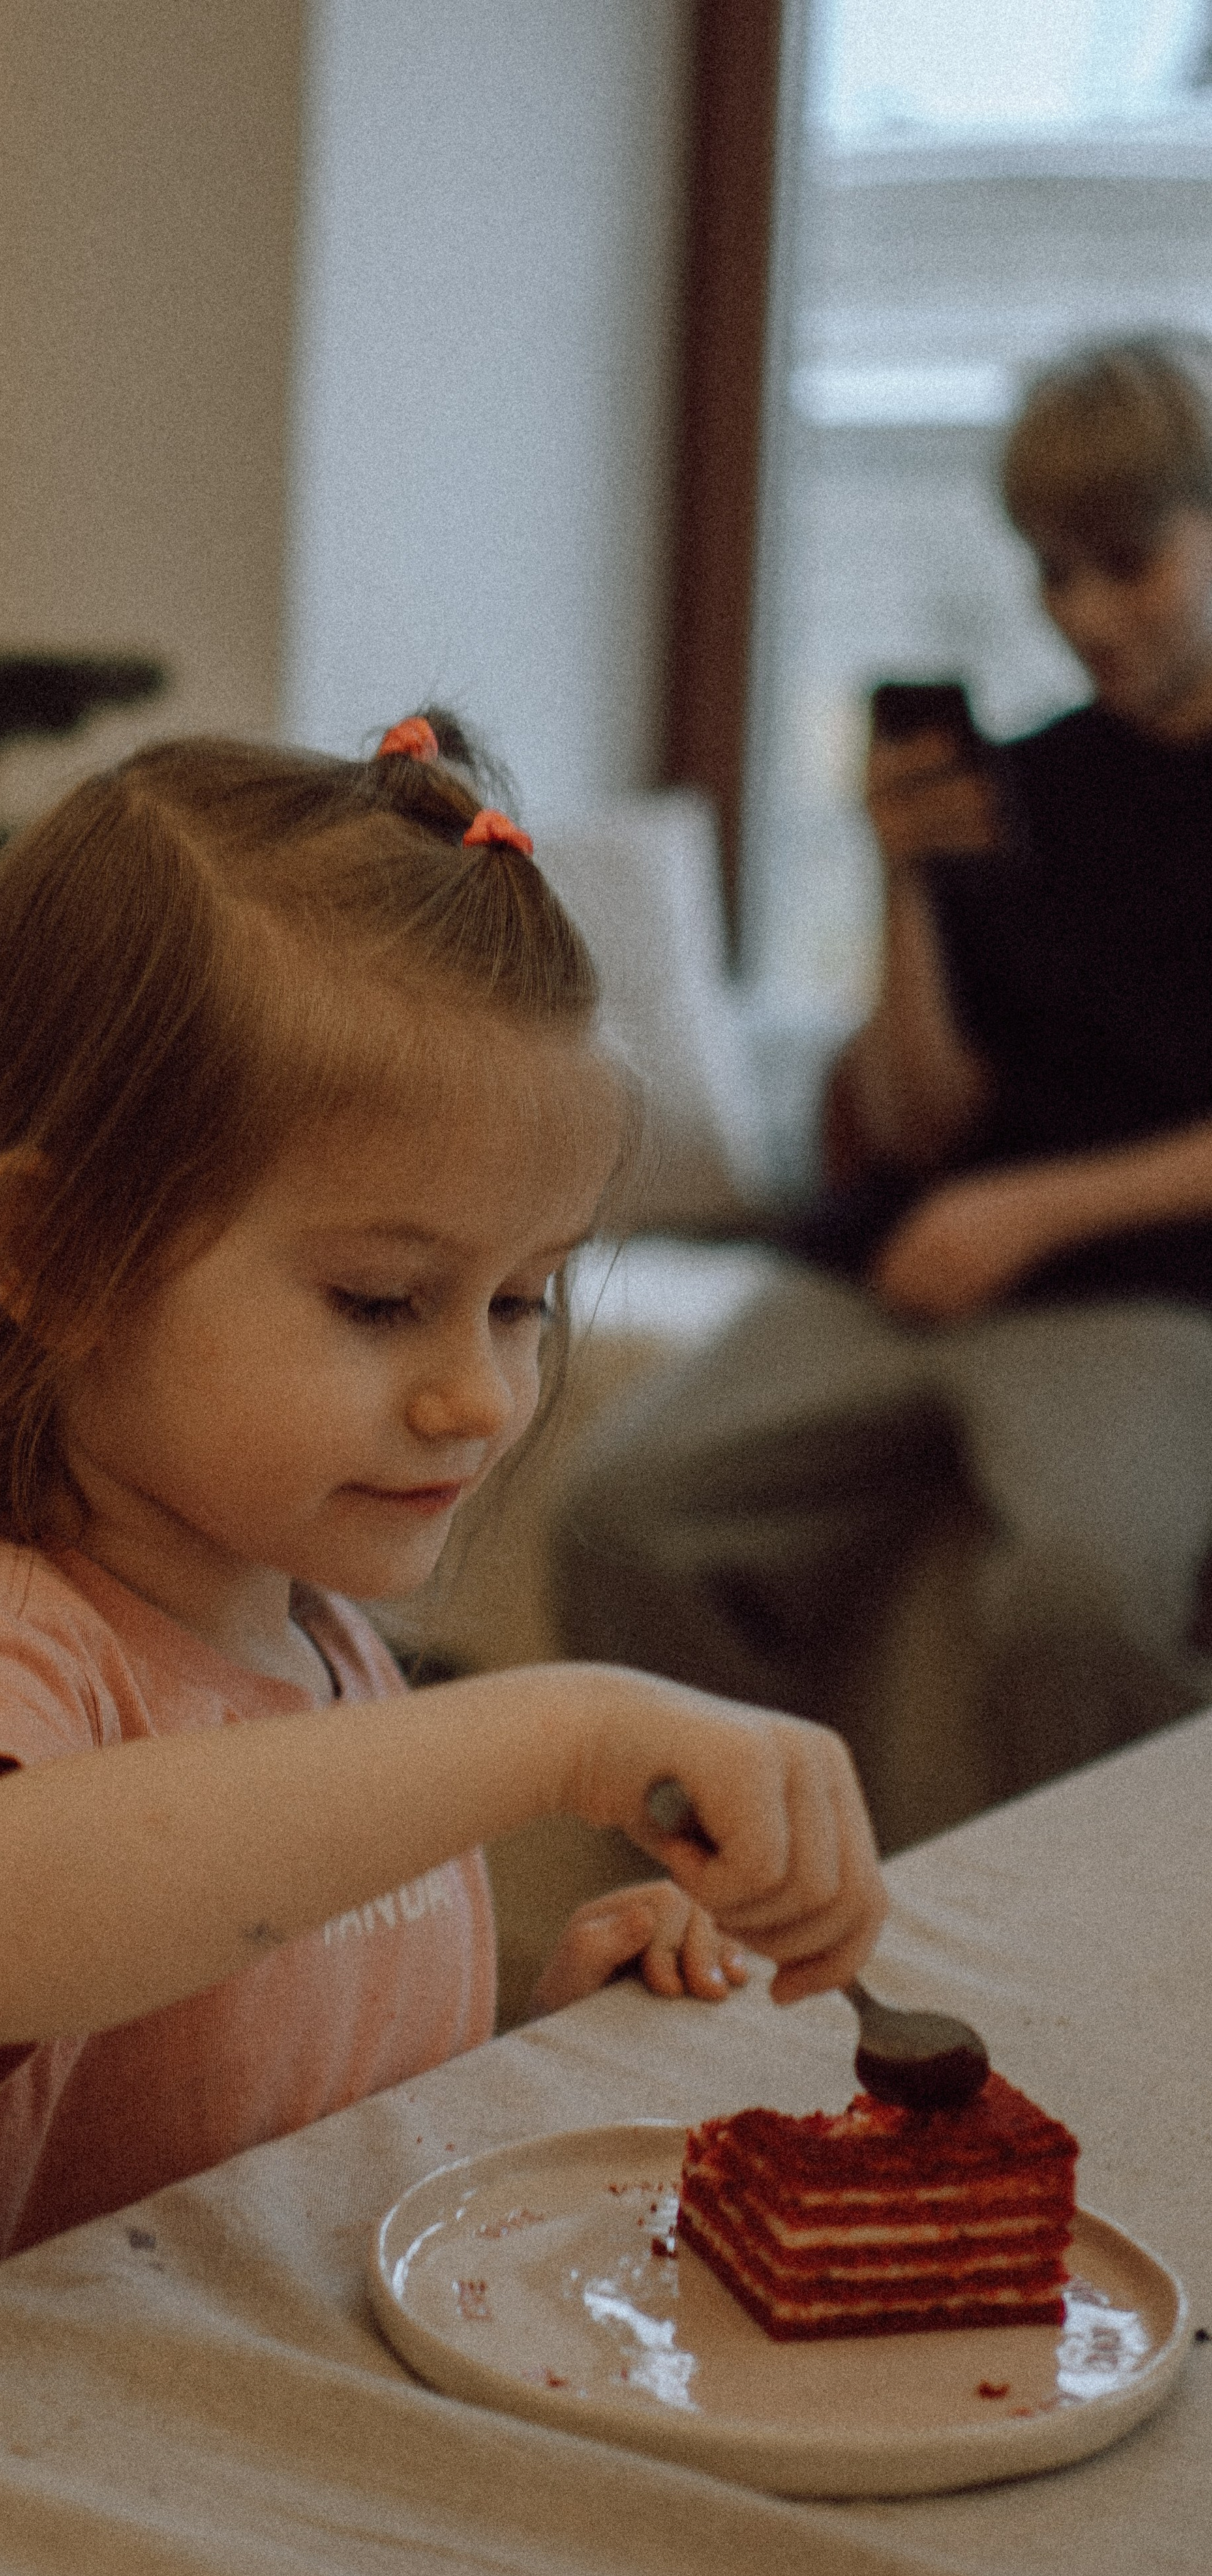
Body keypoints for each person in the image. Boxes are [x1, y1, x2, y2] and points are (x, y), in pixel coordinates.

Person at [0, 714, 885, 2376]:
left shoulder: (325, 1647)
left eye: (520, 1300)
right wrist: (543, 1729)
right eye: (378, 1300)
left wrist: (541, 2032)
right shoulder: (0, 1637)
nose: (478, 1397)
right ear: (53, 1257)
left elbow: (287, 2120)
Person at [555, 335, 1212, 1824]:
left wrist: (1028, 1216)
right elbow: (920, 1118)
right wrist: (900, 881)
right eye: (1050, 572)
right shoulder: (1028, 783)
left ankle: (1077, 1983)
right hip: (904, 1257)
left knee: (1082, 1597)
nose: (1083, 614)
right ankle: (738, 1916)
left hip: (1146, 1287)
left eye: (1124, 561)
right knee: (618, 1515)